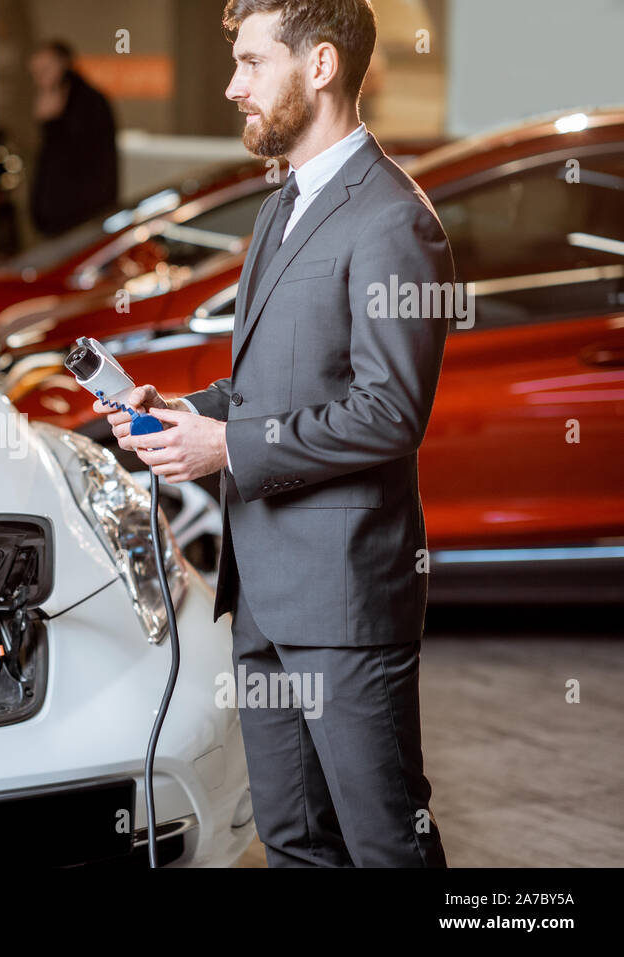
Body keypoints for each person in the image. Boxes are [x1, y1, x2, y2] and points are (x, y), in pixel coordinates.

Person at [101, 0, 451, 867]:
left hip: (342, 606)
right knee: (293, 839)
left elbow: (389, 412)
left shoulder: (392, 220)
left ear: (321, 66)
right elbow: (275, 384)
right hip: (262, 596)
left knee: (384, 842)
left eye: (254, 63)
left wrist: (229, 449)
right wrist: (194, 410)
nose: (233, 86)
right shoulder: (282, 207)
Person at [27, 39, 119, 237]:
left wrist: (52, 123)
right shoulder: (61, 101)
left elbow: (76, 160)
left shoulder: (88, 104)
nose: (39, 79)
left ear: (64, 66)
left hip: (81, 217)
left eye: (45, 70)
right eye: (36, 73)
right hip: (63, 218)